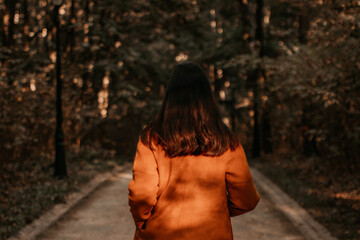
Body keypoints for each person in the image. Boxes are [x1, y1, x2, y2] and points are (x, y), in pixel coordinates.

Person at [128, 62, 260, 240]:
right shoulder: (226, 140)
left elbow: (141, 195)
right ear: (207, 97)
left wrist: (143, 222)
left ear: (170, 95)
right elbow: (247, 199)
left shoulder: (152, 137)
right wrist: (214, 213)